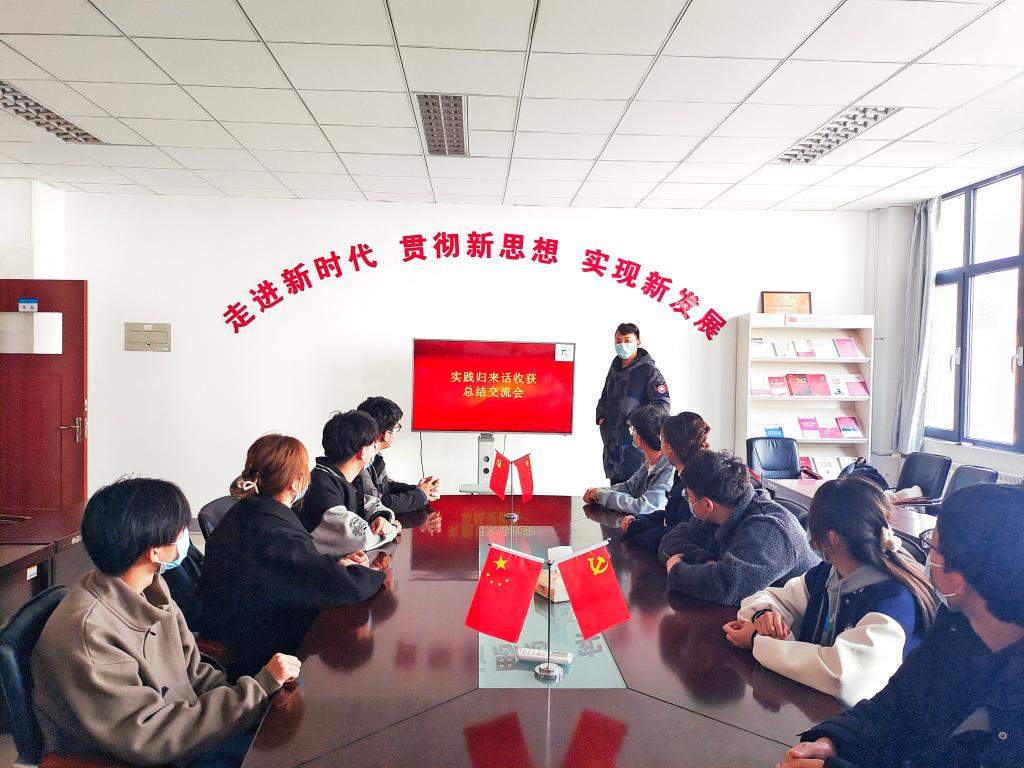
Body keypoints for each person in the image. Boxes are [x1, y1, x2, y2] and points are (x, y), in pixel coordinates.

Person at [31, 477, 301, 768]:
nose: (185, 536)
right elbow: (149, 737)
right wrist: (255, 692)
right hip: (146, 753)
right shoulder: (90, 633)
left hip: (185, 730)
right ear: (154, 551)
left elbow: (193, 673)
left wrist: (256, 699)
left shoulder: (150, 589)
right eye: (180, 529)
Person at [780, 483, 1024, 768]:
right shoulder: (954, 627)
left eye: (932, 546)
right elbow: (894, 707)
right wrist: (831, 742)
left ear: (958, 581)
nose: (926, 558)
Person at [722, 475, 937, 706]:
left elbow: (843, 678)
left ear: (831, 538)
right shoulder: (829, 574)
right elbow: (770, 597)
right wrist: (764, 615)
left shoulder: (894, 603)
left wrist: (757, 641)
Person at [199, 434, 385, 680]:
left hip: (243, 618)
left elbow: (297, 566)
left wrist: (337, 564)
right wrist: (370, 572)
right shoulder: (273, 531)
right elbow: (341, 585)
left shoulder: (251, 509)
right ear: (296, 483)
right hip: (256, 646)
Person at [660, 450, 819, 606]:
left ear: (708, 504)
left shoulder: (768, 531)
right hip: (757, 611)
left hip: (800, 617)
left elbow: (727, 588)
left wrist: (676, 570)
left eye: (688, 496)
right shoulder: (719, 511)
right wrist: (705, 560)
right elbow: (672, 539)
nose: (687, 500)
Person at [296, 410, 402, 556]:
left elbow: (369, 503)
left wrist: (381, 518)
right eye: (373, 445)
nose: (376, 449)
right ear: (362, 452)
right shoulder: (322, 489)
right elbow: (361, 539)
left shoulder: (341, 477)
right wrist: (393, 528)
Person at [623, 411, 710, 553]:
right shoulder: (681, 473)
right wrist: (639, 519)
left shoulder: (695, 483)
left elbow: (678, 536)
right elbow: (670, 516)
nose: (660, 443)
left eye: (661, 439)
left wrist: (634, 528)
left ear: (669, 448)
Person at [595, 322, 671, 484]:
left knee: (636, 492)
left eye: (627, 341)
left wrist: (635, 422)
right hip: (613, 449)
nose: (622, 345)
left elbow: (662, 404)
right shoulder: (615, 368)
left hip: (637, 450)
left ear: (638, 342)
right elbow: (604, 397)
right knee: (616, 493)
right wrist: (601, 417)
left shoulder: (648, 370)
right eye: (618, 341)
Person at [584, 404, 673, 519]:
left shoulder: (669, 471)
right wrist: (598, 492)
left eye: (634, 430)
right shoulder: (649, 463)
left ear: (643, 435)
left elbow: (643, 507)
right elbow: (628, 487)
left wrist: (601, 495)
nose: (632, 433)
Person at [357, 395, 440, 512]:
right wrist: (420, 495)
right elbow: (378, 503)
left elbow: (386, 486)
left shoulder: (375, 455)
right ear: (387, 434)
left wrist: (422, 490)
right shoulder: (359, 459)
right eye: (397, 428)